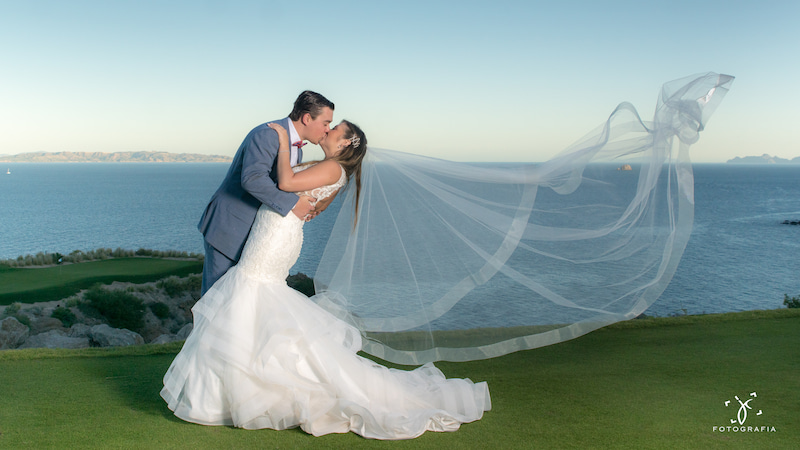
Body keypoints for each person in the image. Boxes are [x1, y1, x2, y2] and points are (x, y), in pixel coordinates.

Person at [161, 119, 491, 439]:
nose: (329, 131)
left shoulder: (334, 169)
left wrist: (282, 143)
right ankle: (234, 389)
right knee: (253, 297)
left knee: (252, 290)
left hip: (275, 236)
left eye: (335, 130)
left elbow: (287, 184)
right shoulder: (336, 170)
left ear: (346, 142)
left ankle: (240, 389)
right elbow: (307, 201)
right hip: (276, 231)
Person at [197, 91, 336, 295]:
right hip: (229, 228)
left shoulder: (297, 148)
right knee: (217, 300)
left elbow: (285, 184)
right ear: (307, 118)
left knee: (239, 301)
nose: (327, 130)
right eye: (325, 123)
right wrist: (293, 204)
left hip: (254, 233)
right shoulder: (267, 134)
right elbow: (253, 179)